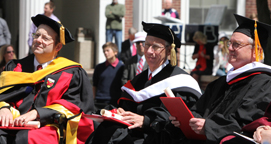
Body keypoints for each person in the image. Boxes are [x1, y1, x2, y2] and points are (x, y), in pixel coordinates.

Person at [169, 14, 271, 144]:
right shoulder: (221, 82)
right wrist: (187, 121)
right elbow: (198, 110)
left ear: (256, 50)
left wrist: (208, 127)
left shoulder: (267, 83)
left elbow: (248, 122)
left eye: (237, 44)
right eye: (230, 43)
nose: (229, 48)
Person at [86, 21, 202, 144]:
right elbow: (127, 107)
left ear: (169, 51)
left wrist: (146, 120)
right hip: (133, 133)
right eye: (146, 45)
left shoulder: (181, 81)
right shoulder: (138, 80)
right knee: (104, 132)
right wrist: (119, 112)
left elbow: (181, 119)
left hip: (159, 137)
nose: (149, 51)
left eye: (155, 47)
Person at [0, 14, 95, 144]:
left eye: (45, 38)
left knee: (26, 138)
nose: (38, 40)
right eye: (37, 35)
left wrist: (38, 113)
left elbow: (75, 106)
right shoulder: (15, 67)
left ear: (58, 47)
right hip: (11, 122)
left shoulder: (72, 72)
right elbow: (3, 93)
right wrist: (3, 107)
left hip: (49, 126)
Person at [93, 42, 124, 109]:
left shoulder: (122, 67)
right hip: (99, 101)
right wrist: (94, 98)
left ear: (115, 52)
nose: (105, 53)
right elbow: (95, 84)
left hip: (115, 101)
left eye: (108, 50)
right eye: (104, 51)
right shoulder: (99, 67)